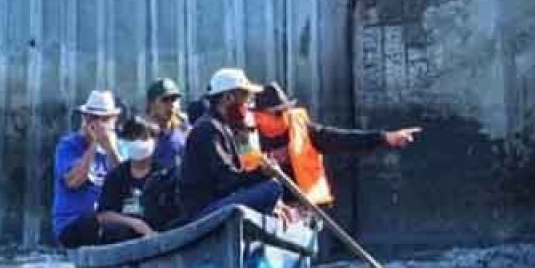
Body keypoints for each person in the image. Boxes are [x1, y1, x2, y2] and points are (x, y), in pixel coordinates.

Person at [251, 81, 421, 205]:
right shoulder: (246, 134)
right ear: (260, 114)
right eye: (278, 113)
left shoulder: (302, 129)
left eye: (286, 110)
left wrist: (384, 137)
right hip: (262, 204)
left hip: (300, 204)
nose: (285, 116)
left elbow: (342, 139)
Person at [179, 68, 284, 219]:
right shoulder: (209, 128)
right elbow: (227, 180)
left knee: (268, 188)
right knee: (273, 188)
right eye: (245, 98)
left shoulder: (228, 128)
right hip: (205, 209)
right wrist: (263, 173)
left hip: (216, 202)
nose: (248, 104)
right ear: (229, 98)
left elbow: (244, 167)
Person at [52, 90, 148, 248]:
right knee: (96, 224)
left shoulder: (121, 146)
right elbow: (73, 182)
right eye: (92, 118)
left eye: (104, 119)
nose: (97, 124)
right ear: (84, 119)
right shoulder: (68, 146)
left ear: (114, 121)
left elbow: (130, 186)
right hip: (73, 224)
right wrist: (94, 144)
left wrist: (111, 149)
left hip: (110, 220)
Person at [95, 116, 161, 234]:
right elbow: (103, 215)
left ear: (155, 141)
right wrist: (135, 223)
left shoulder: (163, 175)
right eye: (132, 138)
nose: (137, 142)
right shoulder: (116, 176)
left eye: (143, 137)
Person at [144, 78, 189, 170]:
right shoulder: (142, 134)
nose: (171, 104)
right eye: (165, 100)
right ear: (152, 104)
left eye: (174, 99)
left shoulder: (184, 131)